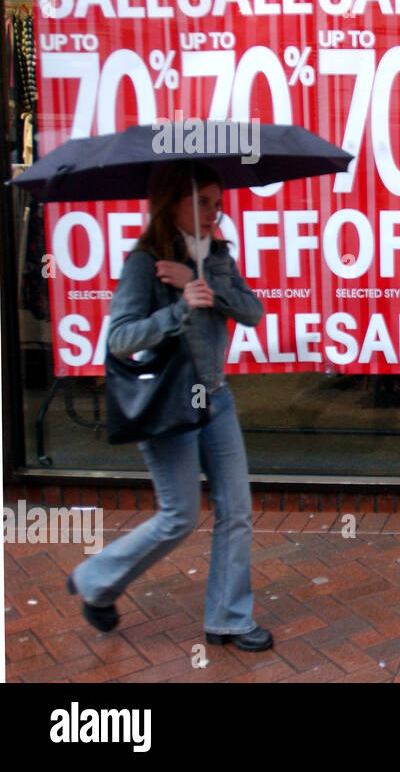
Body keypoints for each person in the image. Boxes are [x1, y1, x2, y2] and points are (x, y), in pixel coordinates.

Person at [66, 162, 272, 652]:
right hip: (170, 404)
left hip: (215, 397)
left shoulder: (217, 255)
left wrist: (207, 286)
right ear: (171, 202)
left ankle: (229, 619)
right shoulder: (144, 261)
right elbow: (120, 339)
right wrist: (180, 304)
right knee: (178, 515)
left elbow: (253, 312)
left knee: (237, 511)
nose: (213, 212)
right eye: (201, 201)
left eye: (217, 203)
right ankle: (97, 580)